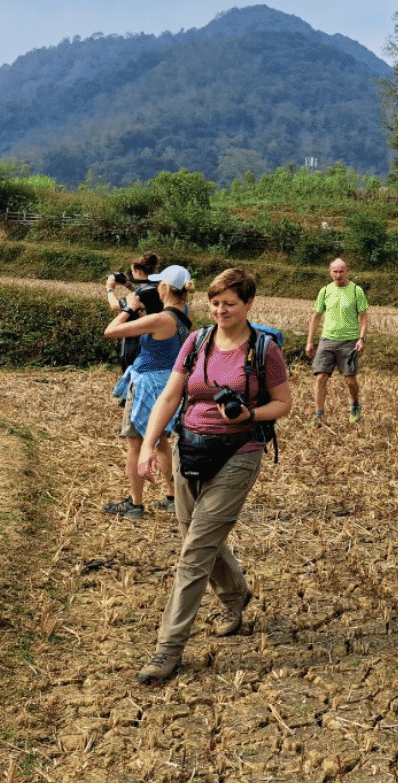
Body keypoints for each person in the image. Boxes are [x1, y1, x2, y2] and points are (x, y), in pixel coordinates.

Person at [133, 267, 292, 685]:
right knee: (196, 538)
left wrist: (250, 413)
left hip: (240, 451)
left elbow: (283, 404)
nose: (221, 311)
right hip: (191, 448)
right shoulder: (197, 340)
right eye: (216, 303)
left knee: (194, 554)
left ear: (249, 305)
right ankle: (236, 596)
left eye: (230, 304)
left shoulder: (264, 349)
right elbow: (170, 395)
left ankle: (167, 650)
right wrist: (148, 446)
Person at [103, 265, 193, 519]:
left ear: (164, 287)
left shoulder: (160, 319)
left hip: (148, 385)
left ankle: (136, 503)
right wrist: (140, 305)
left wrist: (129, 308)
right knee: (161, 440)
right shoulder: (181, 314)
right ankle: (173, 496)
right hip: (167, 383)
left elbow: (111, 331)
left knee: (135, 443)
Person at [304, 258, 369, 423]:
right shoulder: (324, 291)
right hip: (327, 340)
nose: (338, 275)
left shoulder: (356, 291)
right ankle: (319, 415)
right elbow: (316, 317)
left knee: (350, 379)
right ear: (329, 272)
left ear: (347, 272)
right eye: (335, 271)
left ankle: (355, 405)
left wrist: (361, 339)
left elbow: (363, 317)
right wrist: (310, 341)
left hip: (349, 341)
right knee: (320, 377)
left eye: (341, 271)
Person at [105, 251, 160, 373]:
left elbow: (115, 306)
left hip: (137, 343)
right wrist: (128, 285)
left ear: (138, 272)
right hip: (155, 342)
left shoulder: (143, 294)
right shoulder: (158, 288)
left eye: (133, 272)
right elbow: (142, 293)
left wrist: (109, 289)